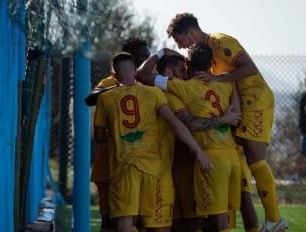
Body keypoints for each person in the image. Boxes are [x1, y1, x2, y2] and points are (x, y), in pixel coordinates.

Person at [165, 12, 288, 232]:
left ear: (192, 33)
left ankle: (274, 218)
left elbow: (249, 67)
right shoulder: (205, 53)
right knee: (246, 159)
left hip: (256, 99)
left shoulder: (221, 41)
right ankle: (269, 220)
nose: (182, 47)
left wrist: (218, 79)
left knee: (255, 156)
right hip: (241, 106)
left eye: (181, 41)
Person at [94, 52, 211, 232]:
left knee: (125, 222)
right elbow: (175, 123)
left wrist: (118, 132)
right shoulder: (154, 93)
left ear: (114, 75)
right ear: (134, 71)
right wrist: (198, 151)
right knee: (154, 224)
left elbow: (100, 137)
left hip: (124, 168)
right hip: (153, 170)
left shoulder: (105, 98)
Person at [137, 43, 241, 232]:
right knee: (217, 217)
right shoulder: (225, 83)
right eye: (182, 69)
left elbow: (141, 74)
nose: (185, 72)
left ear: (191, 64)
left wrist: (162, 52)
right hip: (230, 155)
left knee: (209, 218)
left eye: (186, 68)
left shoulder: (183, 87)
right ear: (211, 63)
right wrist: (225, 117)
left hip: (207, 156)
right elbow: (236, 115)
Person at [89, 38, 151, 232]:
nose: (144, 61)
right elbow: (90, 98)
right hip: (109, 160)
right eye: (140, 57)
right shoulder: (110, 81)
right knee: (110, 218)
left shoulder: (147, 84)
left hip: (140, 163)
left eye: (147, 57)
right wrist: (121, 86)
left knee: (142, 219)